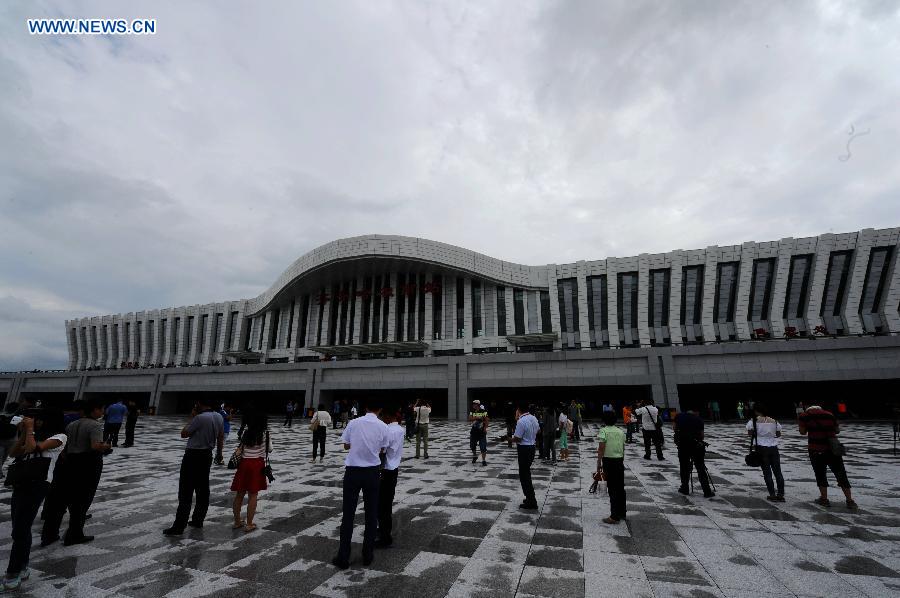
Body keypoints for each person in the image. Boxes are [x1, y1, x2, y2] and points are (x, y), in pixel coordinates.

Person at [2, 409, 66, 591]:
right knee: (19, 527)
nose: (36, 422)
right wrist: (23, 432)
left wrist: (29, 430)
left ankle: (12, 574)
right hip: (21, 482)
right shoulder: (32, 435)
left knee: (21, 530)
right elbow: (14, 453)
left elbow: (33, 448)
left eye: (38, 420)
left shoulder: (60, 437)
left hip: (38, 484)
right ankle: (23, 567)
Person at [41, 399, 111, 547]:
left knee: (60, 499)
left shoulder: (72, 424)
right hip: (87, 464)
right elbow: (94, 446)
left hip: (68, 463)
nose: (102, 412)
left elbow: (65, 447)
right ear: (93, 411)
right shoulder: (95, 425)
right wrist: (105, 446)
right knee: (81, 500)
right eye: (101, 409)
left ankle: (49, 534)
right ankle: (74, 534)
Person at [332, 402, 389, 570]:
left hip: (353, 472)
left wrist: (357, 444)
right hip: (372, 473)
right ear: (380, 409)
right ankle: (367, 555)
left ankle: (343, 556)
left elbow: (346, 445)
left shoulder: (354, 422)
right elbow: (383, 449)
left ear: (365, 407)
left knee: (348, 514)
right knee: (371, 514)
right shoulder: (383, 426)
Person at [164, 398, 225, 535]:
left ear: (200, 404)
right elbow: (220, 437)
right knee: (203, 488)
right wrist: (220, 454)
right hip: (207, 455)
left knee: (186, 490)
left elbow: (184, 434)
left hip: (192, 455)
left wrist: (192, 418)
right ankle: (198, 519)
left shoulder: (200, 418)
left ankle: (179, 525)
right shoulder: (219, 416)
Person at [798, 405, 857, 509]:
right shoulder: (829, 414)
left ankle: (824, 499)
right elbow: (837, 431)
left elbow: (802, 432)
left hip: (816, 449)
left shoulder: (804, 415)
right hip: (833, 450)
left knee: (820, 474)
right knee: (840, 473)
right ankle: (850, 500)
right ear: (820, 408)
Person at [231, 409, 270, 533]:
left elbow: (241, 448)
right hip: (257, 465)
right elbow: (269, 450)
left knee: (239, 494)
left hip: (243, 464)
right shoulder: (264, 434)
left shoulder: (246, 433)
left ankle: (237, 522)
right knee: (253, 494)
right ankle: (249, 524)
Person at [377, 406, 405, 548]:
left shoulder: (388, 430)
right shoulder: (400, 429)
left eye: (383, 416)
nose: (381, 419)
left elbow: (382, 449)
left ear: (388, 416)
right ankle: (382, 530)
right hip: (393, 469)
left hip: (385, 470)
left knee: (382, 504)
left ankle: (385, 536)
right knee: (386, 503)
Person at [746, 403, 785, 502]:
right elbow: (778, 434)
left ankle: (772, 494)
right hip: (773, 447)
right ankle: (780, 494)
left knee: (767, 473)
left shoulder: (753, 421)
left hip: (761, 448)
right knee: (778, 472)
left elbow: (750, 433)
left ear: (756, 411)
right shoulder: (774, 420)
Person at [673, 409, 714, 498]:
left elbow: (674, 428)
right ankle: (707, 491)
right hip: (697, 447)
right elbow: (702, 436)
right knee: (700, 467)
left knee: (684, 467)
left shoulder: (678, 416)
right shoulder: (699, 419)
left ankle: (685, 488)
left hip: (683, 445)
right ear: (695, 412)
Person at [596, 410, 626, 524]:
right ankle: (622, 513)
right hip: (619, 461)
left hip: (608, 461)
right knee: (620, 488)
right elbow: (623, 448)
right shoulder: (620, 431)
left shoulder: (603, 431)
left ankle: (614, 516)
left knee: (612, 489)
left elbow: (601, 448)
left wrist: (599, 463)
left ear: (604, 420)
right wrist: (621, 460)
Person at [512, 404, 540, 510]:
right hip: (532, 448)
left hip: (524, 449)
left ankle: (531, 501)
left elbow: (517, 439)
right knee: (526, 473)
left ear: (518, 410)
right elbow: (538, 431)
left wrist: (508, 439)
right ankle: (530, 498)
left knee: (524, 476)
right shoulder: (533, 417)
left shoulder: (521, 421)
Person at [0, 402, 20, 479]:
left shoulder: (1, 416)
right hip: (12, 440)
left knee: (0, 457)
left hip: (1, 439)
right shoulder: (18, 417)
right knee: (4, 457)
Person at [469, 400, 489, 466]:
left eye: (474, 404)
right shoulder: (472, 411)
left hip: (482, 431)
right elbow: (469, 418)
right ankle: (475, 456)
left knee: (483, 446)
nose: (473, 405)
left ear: (477, 404)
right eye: (473, 404)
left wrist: (485, 428)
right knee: (472, 445)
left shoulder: (483, 411)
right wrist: (477, 417)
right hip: (474, 431)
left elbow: (486, 420)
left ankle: (483, 460)